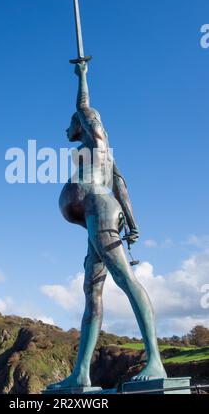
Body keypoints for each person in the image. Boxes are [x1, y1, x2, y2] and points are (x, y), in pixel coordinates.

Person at [46, 62, 166, 390]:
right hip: (92, 220)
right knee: (92, 294)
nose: (65, 130)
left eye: (70, 124)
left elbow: (84, 107)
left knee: (125, 279)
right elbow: (121, 186)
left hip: (98, 210)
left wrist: (82, 77)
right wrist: (134, 221)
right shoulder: (101, 158)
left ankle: (155, 362)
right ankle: (80, 374)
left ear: (84, 125)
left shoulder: (97, 142)